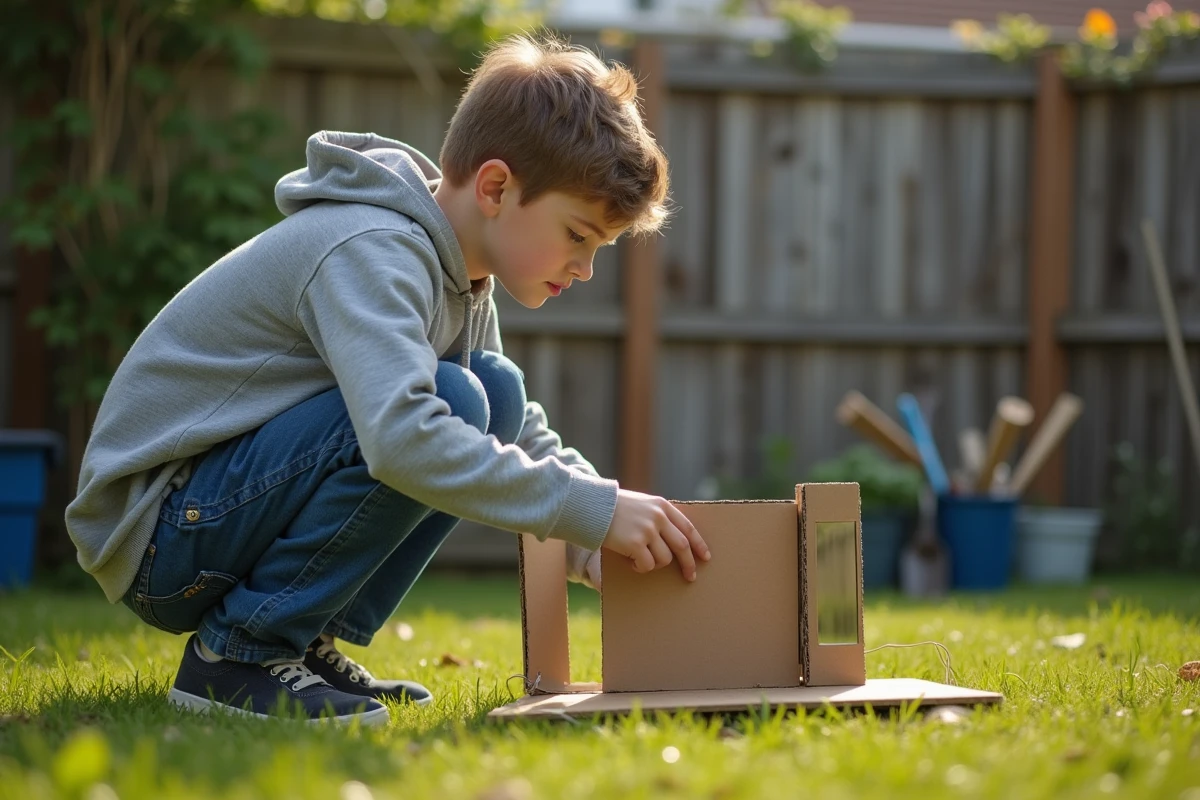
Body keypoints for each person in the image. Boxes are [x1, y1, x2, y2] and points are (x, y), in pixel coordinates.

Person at [65, 34, 711, 727]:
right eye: (579, 235)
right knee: (452, 400)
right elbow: (402, 438)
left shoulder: (462, 274)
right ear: (496, 187)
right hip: (159, 532)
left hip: (213, 514)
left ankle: (297, 642)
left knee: (488, 389)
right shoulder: (370, 249)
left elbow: (514, 427)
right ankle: (238, 656)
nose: (585, 268)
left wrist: (596, 534)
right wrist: (592, 507)